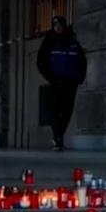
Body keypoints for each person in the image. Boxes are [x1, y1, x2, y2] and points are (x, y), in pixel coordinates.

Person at [37, 16, 87, 151]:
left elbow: (82, 60)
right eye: (55, 25)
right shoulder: (49, 42)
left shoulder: (73, 41)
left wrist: (79, 78)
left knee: (67, 111)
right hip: (56, 81)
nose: (57, 27)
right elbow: (41, 62)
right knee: (55, 111)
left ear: (64, 26)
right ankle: (58, 138)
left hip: (71, 82)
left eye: (59, 25)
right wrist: (51, 77)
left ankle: (58, 136)